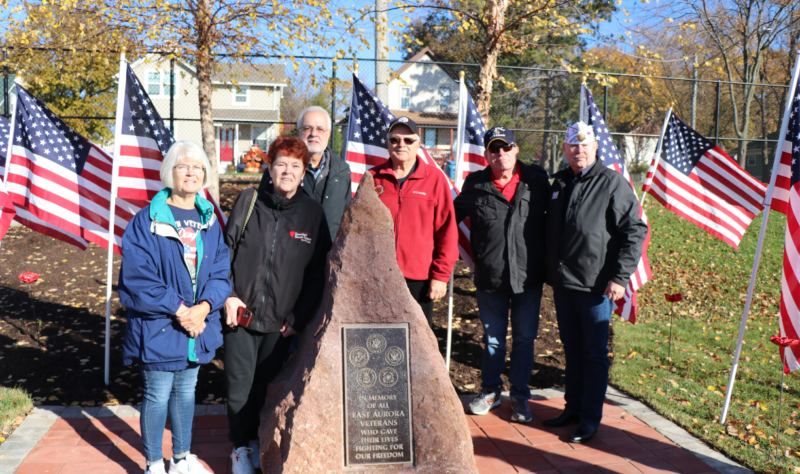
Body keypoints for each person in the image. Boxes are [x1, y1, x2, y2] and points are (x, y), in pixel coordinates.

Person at [119, 141, 231, 474]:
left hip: (197, 325)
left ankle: (181, 459)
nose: (191, 172)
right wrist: (183, 310)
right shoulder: (146, 220)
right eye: (184, 166)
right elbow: (139, 277)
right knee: (157, 394)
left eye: (198, 167)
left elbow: (221, 271)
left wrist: (206, 306)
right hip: (161, 325)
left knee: (186, 392)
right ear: (171, 171)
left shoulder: (209, 218)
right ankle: (154, 463)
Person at [224, 135, 332, 474]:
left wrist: (298, 317)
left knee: (265, 385)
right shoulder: (248, 200)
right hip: (239, 314)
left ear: (303, 173)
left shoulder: (312, 214)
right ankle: (240, 447)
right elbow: (223, 254)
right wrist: (227, 295)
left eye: (295, 166)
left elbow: (318, 274)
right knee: (239, 385)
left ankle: (258, 440)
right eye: (281, 163)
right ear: (269, 168)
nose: (287, 171)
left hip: (281, 321)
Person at [543, 122, 647, 443]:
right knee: (572, 351)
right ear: (565, 149)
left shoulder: (611, 183)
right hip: (564, 285)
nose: (580, 151)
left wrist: (619, 276)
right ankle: (572, 409)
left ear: (595, 147)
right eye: (573, 146)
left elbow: (635, 231)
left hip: (596, 287)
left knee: (594, 354)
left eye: (585, 145)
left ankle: (590, 418)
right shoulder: (559, 181)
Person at [454, 127, 550, 423]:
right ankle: (491, 391)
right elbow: (447, 218)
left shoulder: (537, 181)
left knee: (524, 339)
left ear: (516, 149)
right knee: (493, 340)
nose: (500, 154)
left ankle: (520, 397)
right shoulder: (475, 184)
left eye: (506, 148)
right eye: (494, 149)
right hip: (490, 279)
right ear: (486, 154)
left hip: (528, 279)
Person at [369, 116, 458, 328]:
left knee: (415, 342)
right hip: (377, 277)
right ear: (387, 143)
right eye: (395, 140)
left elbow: (447, 232)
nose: (401, 145)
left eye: (408, 140)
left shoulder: (435, 179)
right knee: (378, 338)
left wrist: (441, 276)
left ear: (418, 144)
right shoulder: (372, 178)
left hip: (419, 280)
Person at [259, 106, 351, 242]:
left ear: (329, 133)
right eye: (307, 128)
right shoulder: (280, 171)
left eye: (320, 129)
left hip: (329, 256)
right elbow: (263, 214)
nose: (314, 134)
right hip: (289, 252)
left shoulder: (342, 171)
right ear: (299, 132)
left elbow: (347, 218)